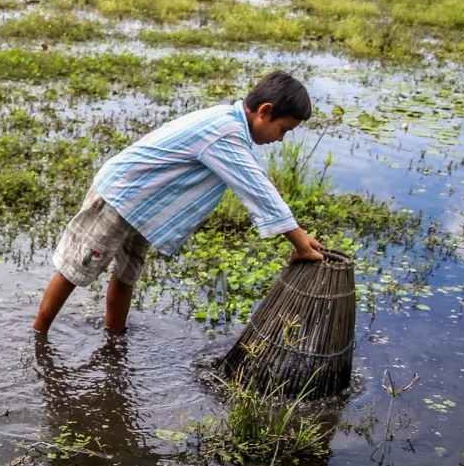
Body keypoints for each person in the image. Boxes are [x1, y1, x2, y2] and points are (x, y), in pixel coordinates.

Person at [32, 71, 323, 337]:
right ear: (265, 111)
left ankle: (114, 336)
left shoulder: (230, 124)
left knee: (127, 273)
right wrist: (299, 242)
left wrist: (299, 237)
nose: (281, 139)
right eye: (284, 129)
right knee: (76, 267)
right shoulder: (226, 130)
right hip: (120, 195)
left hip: (142, 206)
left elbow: (256, 180)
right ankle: (38, 336)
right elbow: (257, 190)